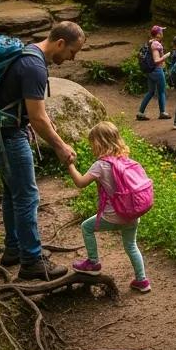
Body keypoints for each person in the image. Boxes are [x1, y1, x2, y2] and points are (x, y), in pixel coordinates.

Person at [0, 21, 84, 280]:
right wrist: (60, 147)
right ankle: (32, 261)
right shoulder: (34, 66)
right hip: (8, 137)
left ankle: (14, 250)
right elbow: (37, 119)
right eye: (73, 51)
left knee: (13, 192)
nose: (73, 57)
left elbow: (34, 111)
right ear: (60, 43)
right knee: (27, 196)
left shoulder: (28, 54)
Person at [65, 122, 151, 292]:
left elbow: (80, 182)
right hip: (132, 213)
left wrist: (70, 165)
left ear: (98, 143)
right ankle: (142, 281)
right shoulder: (126, 160)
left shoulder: (101, 165)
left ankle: (93, 262)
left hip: (114, 215)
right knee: (131, 246)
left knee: (86, 227)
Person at [137, 25, 171, 120]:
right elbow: (156, 60)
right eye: (161, 32)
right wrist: (167, 56)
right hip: (156, 70)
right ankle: (162, 112)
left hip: (149, 70)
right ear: (158, 34)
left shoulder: (149, 42)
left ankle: (140, 113)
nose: (162, 33)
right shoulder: (156, 44)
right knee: (161, 91)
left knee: (151, 92)